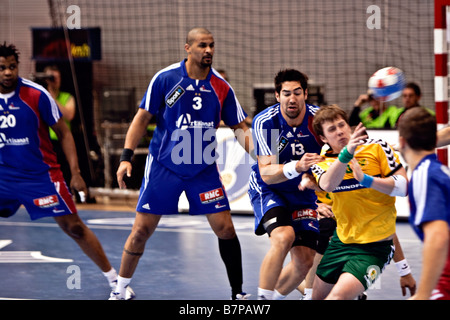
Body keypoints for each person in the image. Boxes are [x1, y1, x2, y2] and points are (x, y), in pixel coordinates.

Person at [111, 27, 253, 300]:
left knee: (226, 229)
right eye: (202, 45)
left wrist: (263, 160)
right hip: (165, 166)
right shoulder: (165, 79)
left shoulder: (221, 86)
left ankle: (238, 294)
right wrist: (125, 158)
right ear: (187, 48)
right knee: (140, 231)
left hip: (202, 169)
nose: (208, 50)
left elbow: (239, 128)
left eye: (211, 45)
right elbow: (141, 118)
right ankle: (119, 290)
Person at [0, 43, 133, 298]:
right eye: (2, 68)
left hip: (40, 175)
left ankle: (117, 284)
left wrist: (75, 172)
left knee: (74, 227)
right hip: (4, 174)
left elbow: (64, 131)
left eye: (12, 67)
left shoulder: (36, 94)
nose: (8, 72)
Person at [309, 104, 409, 300]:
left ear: (349, 126)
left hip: (374, 247)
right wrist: (347, 153)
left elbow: (404, 187)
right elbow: (328, 184)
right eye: (332, 129)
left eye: (341, 125)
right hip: (341, 242)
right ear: (323, 138)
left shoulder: (377, 146)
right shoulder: (321, 161)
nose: (339, 132)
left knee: (336, 298)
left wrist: (367, 180)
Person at [248, 69, 324, 300]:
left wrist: (321, 194)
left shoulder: (319, 120)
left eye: (297, 93)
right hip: (270, 189)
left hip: (304, 192)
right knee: (283, 237)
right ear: (277, 95)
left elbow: (332, 159)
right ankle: (262, 302)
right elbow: (267, 173)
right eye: (287, 93)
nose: (292, 98)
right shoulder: (266, 122)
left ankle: (275, 297)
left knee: (304, 261)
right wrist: (297, 167)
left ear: (306, 94)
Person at [398, 107, 450, 300]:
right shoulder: (437, 170)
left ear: (402, 141)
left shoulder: (424, 175)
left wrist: (423, 294)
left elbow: (437, 237)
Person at [44, 65, 76, 184]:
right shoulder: (40, 96)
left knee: (63, 173)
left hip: (62, 140)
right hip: (45, 141)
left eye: (57, 77)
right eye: (52, 77)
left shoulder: (67, 97)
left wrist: (52, 98)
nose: (55, 81)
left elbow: (69, 115)